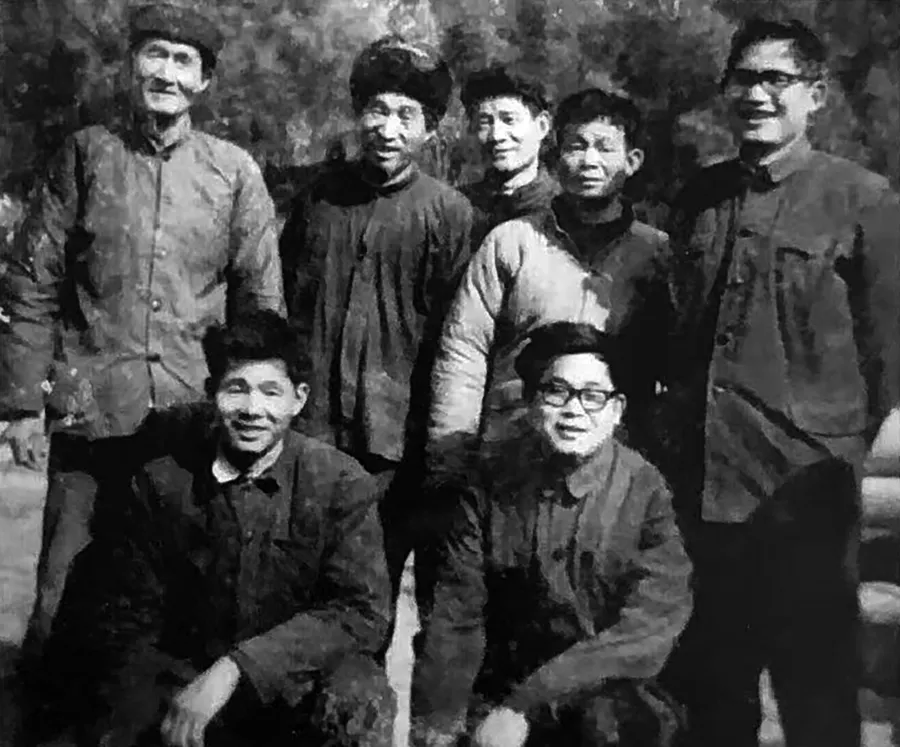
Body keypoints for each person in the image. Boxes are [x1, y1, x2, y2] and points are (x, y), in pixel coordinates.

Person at [0, 2, 285, 659]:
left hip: (189, 420)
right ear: (131, 65)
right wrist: (20, 406)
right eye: (154, 54)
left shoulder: (233, 173)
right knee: (62, 593)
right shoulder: (86, 155)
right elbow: (33, 282)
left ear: (204, 81)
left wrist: (253, 408)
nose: (166, 72)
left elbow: (259, 305)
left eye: (184, 61)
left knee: (184, 596)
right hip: (91, 414)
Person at [659, 18, 900, 747]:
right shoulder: (699, 198)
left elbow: (890, 356)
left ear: (815, 95)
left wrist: (846, 460)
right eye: (743, 78)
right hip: (703, 497)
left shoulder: (864, 199)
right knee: (710, 699)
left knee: (816, 703)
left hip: (805, 503)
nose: (757, 94)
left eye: (776, 79)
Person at [69, 310, 393, 747]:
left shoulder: (340, 483)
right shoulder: (162, 483)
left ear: (298, 399)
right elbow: (126, 620)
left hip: (288, 689)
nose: (253, 410)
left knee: (360, 695)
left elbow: (361, 611)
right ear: (211, 393)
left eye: (271, 392)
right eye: (236, 389)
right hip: (184, 689)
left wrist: (239, 667)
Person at [412, 322, 692, 747]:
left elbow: (645, 628)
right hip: (500, 692)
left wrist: (529, 703)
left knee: (612, 725)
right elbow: (457, 613)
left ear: (617, 410)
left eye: (593, 396)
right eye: (556, 392)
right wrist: (441, 722)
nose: (573, 410)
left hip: (601, 689)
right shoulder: (489, 482)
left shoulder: (645, 490)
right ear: (530, 401)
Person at [279, 36, 473, 609]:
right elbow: (284, 300)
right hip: (311, 429)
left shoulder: (449, 213)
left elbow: (455, 336)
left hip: (393, 443)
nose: (388, 129)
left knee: (369, 589)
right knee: (293, 580)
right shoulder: (317, 199)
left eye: (406, 115)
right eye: (377, 110)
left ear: (430, 130)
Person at [428, 88, 667, 454]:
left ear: (632, 161)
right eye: (576, 146)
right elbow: (464, 352)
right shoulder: (512, 241)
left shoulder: (657, 254)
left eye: (605, 148)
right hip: (512, 447)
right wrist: (449, 457)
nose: (589, 161)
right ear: (556, 157)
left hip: (611, 456)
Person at [458, 65, 556, 245]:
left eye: (509, 120)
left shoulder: (561, 208)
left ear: (542, 125)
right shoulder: (458, 206)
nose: (496, 135)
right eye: (484, 123)